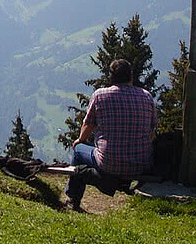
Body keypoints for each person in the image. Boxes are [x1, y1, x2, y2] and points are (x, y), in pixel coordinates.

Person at [66, 58, 156, 211]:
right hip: (141, 163)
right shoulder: (146, 96)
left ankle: (73, 199)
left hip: (109, 163)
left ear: (111, 77)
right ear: (131, 77)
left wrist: (80, 140)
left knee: (78, 149)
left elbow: (88, 125)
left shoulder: (100, 95)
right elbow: (152, 132)